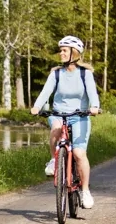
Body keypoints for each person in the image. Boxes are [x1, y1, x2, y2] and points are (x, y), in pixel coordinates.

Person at [30, 35, 101, 209]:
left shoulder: (85, 74)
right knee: (55, 128)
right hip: (59, 114)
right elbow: (46, 92)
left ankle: (85, 191)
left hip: (80, 116)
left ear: (74, 53)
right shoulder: (56, 73)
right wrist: (37, 106)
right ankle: (55, 160)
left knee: (78, 154)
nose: (60, 53)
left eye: (64, 50)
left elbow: (92, 94)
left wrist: (94, 107)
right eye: (60, 50)